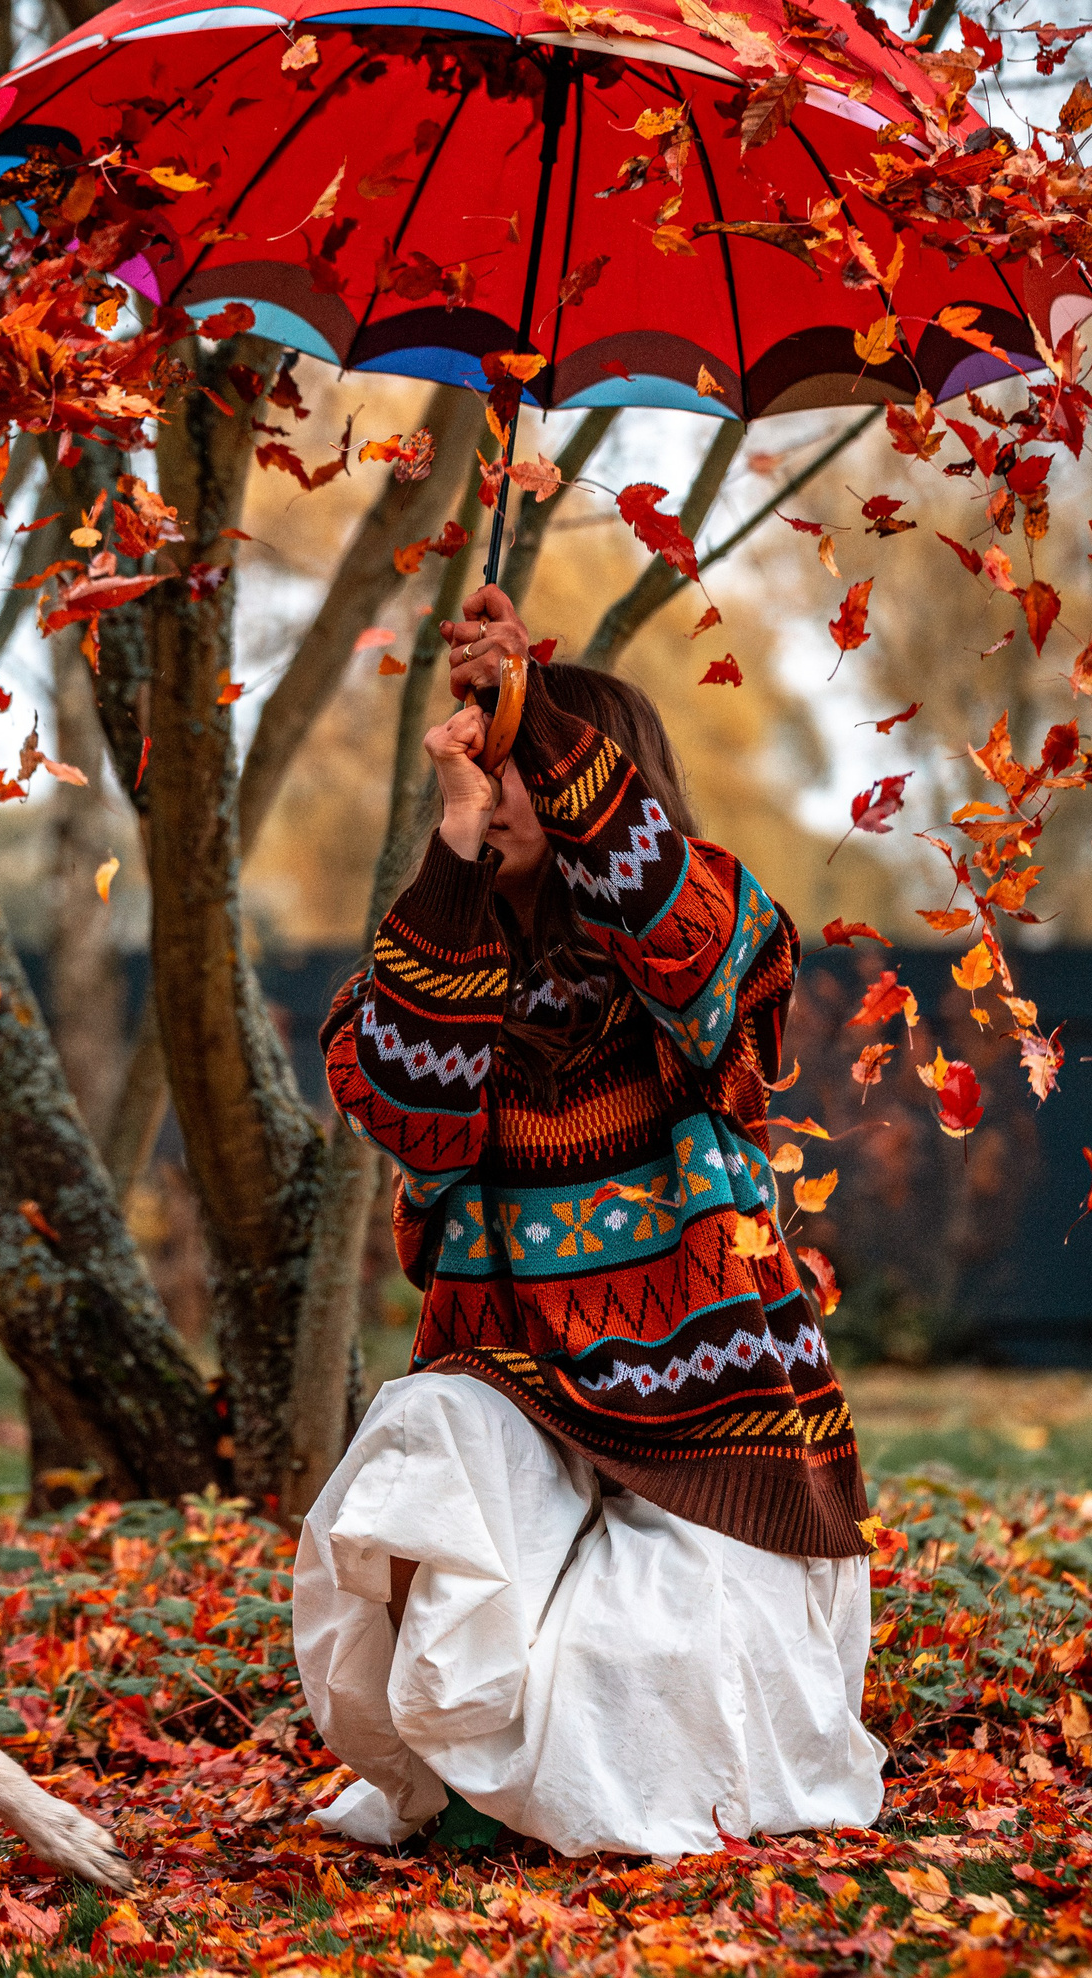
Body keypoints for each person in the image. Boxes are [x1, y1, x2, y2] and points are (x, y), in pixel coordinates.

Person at [292, 584, 884, 1859]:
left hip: (707, 1400)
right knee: (417, 1448)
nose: (496, 782)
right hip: (516, 1379)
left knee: (668, 1654)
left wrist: (536, 714)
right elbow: (410, 1107)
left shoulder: (711, 942)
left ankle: (547, 1795)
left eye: (517, 767)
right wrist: (453, 843)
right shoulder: (417, 969)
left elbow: (677, 934)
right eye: (482, 762)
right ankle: (455, 1782)